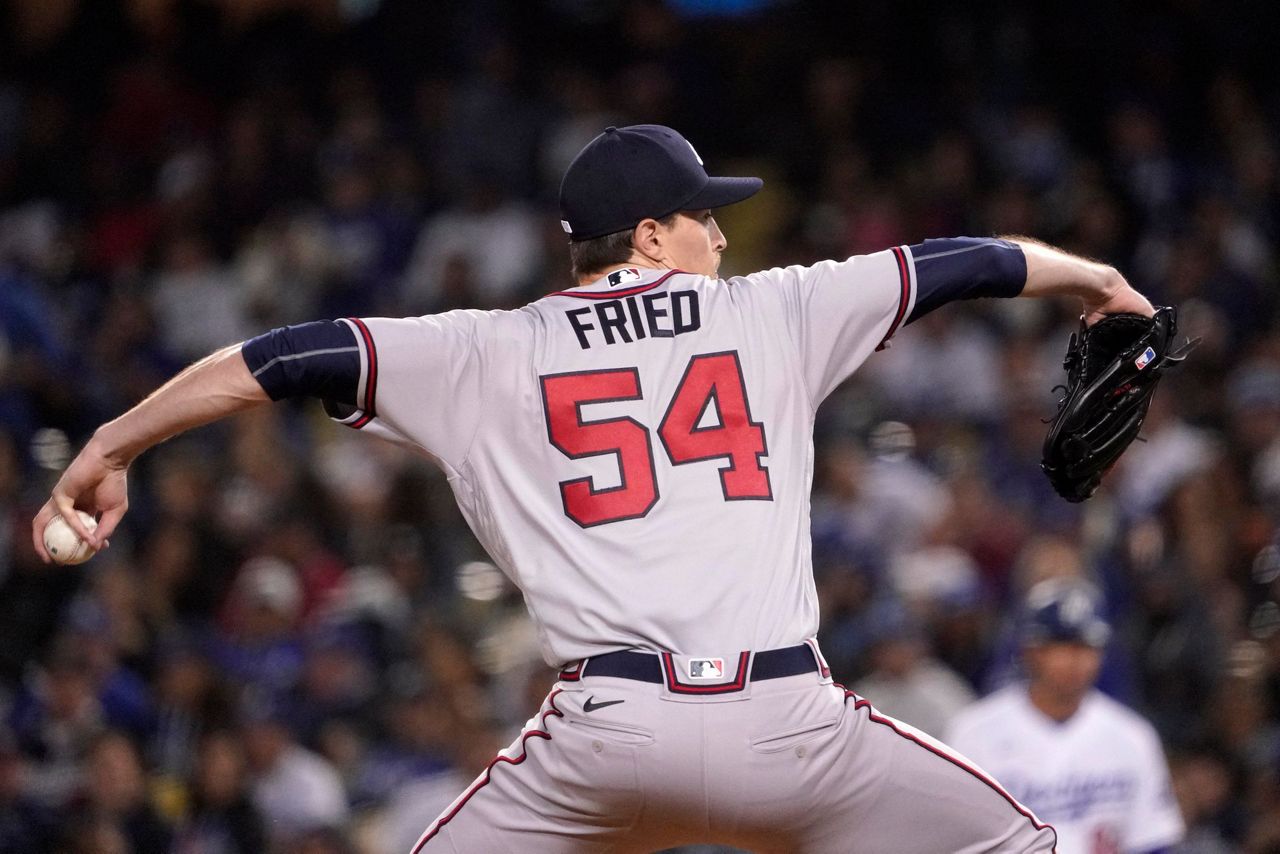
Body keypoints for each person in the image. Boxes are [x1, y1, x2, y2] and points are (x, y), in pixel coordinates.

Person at [33, 123, 1157, 852]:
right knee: (1012, 842)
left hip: (602, 739)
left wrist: (111, 446)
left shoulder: (481, 348)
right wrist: (1096, 278)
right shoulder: (778, 308)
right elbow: (966, 260)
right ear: (654, 233)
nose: (722, 233)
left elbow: (278, 357)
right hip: (789, 730)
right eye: (704, 215)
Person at [946, 578, 1185, 854]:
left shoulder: (1132, 736)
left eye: (1087, 647)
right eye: (1063, 646)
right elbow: (952, 838)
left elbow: (1152, 842)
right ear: (1031, 652)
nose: (1077, 661)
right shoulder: (973, 733)